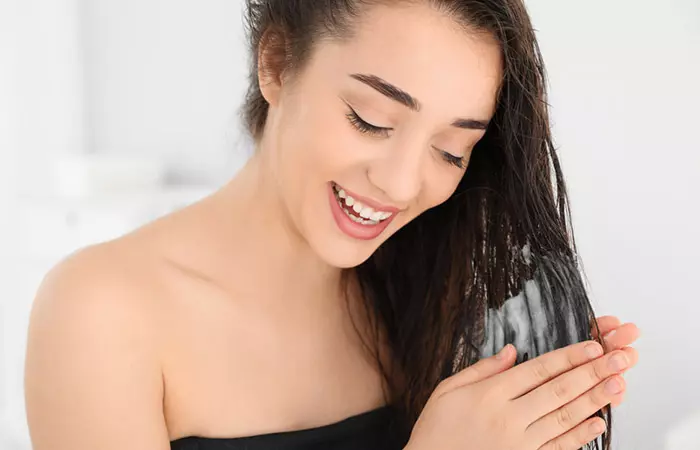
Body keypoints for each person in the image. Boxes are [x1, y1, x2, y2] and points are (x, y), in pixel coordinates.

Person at [24, 1, 640, 449]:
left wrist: (556, 407)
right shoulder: (102, 312)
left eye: (452, 150)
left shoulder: (432, 290)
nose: (401, 185)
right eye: (371, 119)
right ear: (277, 64)